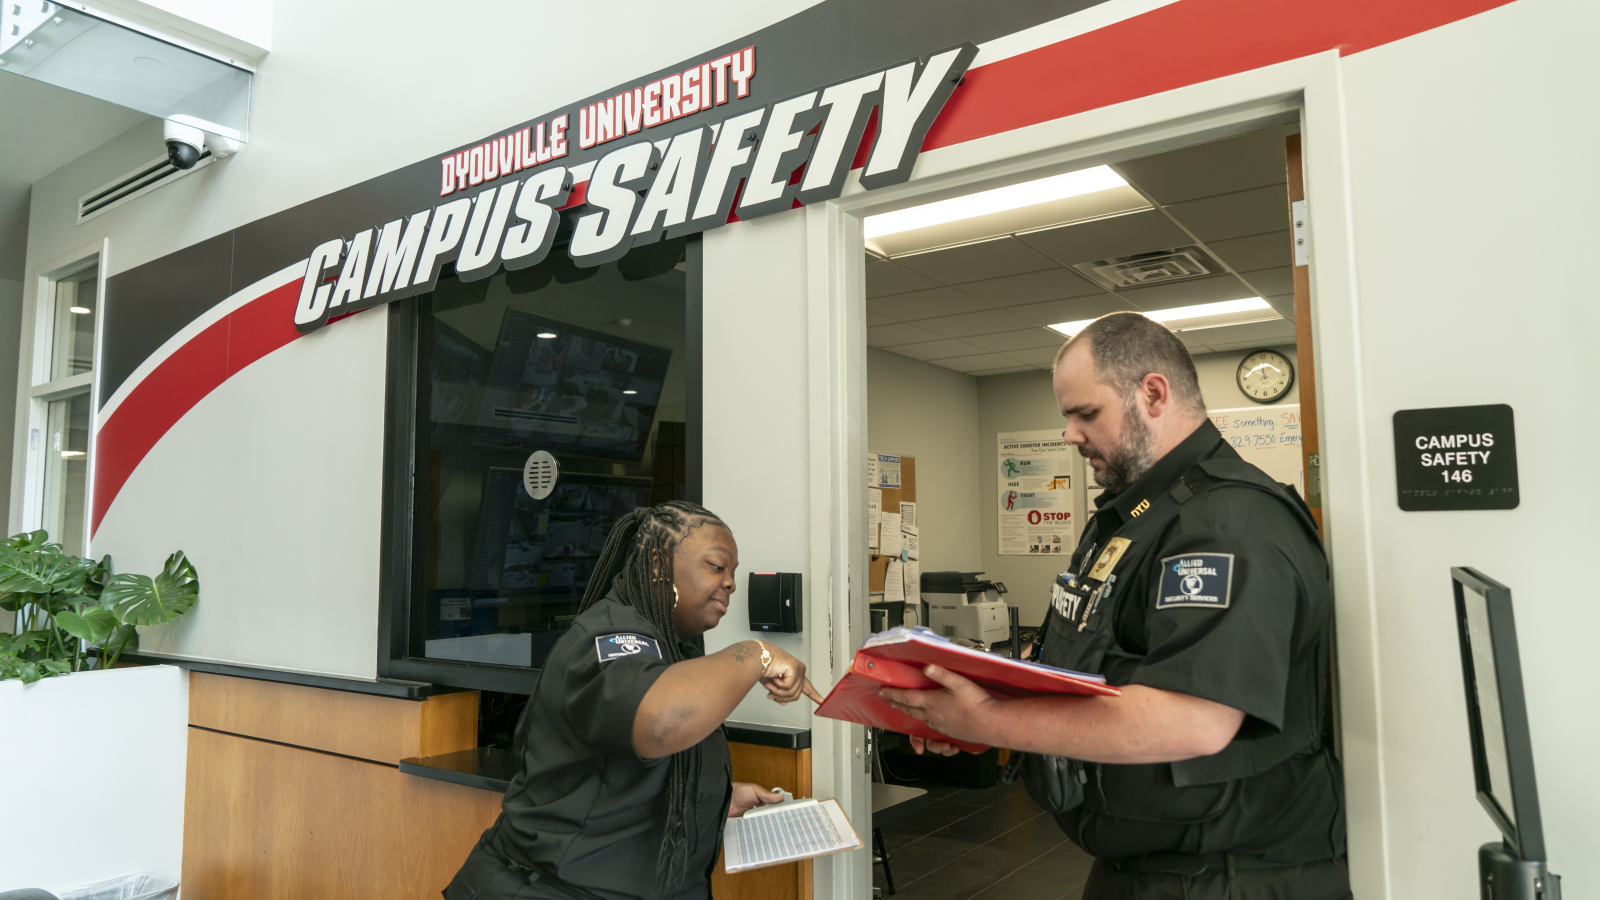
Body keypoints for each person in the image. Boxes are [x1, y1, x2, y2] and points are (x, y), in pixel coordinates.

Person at [882, 313, 1348, 899]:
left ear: (1152, 393)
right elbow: (1084, 669)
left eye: (1085, 414)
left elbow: (1194, 719)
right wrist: (974, 711)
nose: (1069, 435)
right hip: (1142, 866)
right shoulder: (1132, 517)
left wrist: (988, 720)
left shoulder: (1228, 523)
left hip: (1229, 877)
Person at [446, 500, 824, 900]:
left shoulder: (671, 648)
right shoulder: (609, 636)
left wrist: (716, 795)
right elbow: (659, 722)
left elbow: (623, 773)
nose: (731, 582)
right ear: (659, 565)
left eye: (732, 573)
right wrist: (756, 654)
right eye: (717, 566)